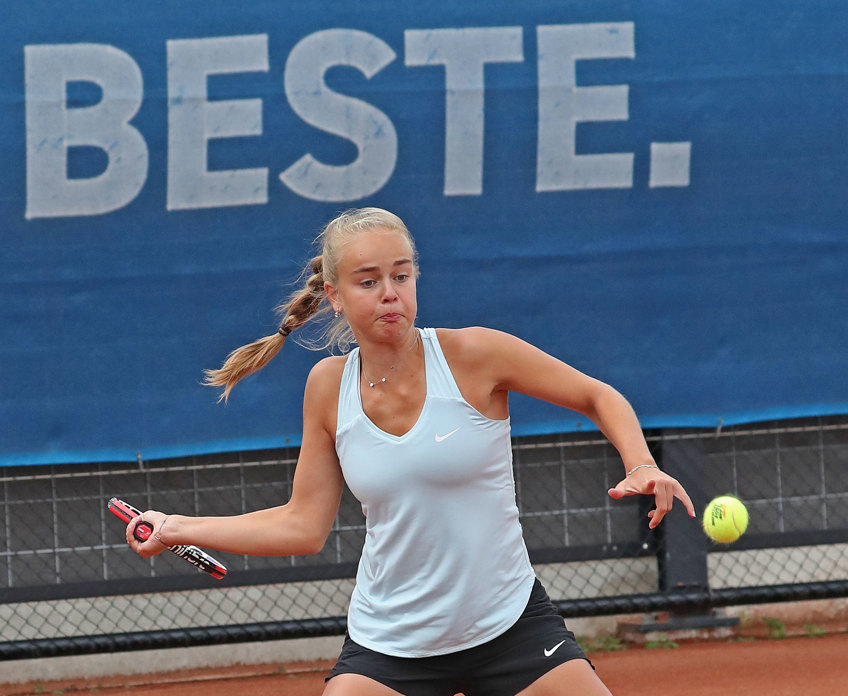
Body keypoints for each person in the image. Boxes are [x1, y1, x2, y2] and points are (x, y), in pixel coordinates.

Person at [126, 207, 695, 696]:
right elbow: (303, 524)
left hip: (510, 627)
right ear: (335, 296)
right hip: (390, 644)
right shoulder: (328, 387)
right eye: (368, 281)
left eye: (401, 275)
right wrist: (177, 527)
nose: (390, 293)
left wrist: (641, 463)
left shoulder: (474, 355)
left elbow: (597, 395)